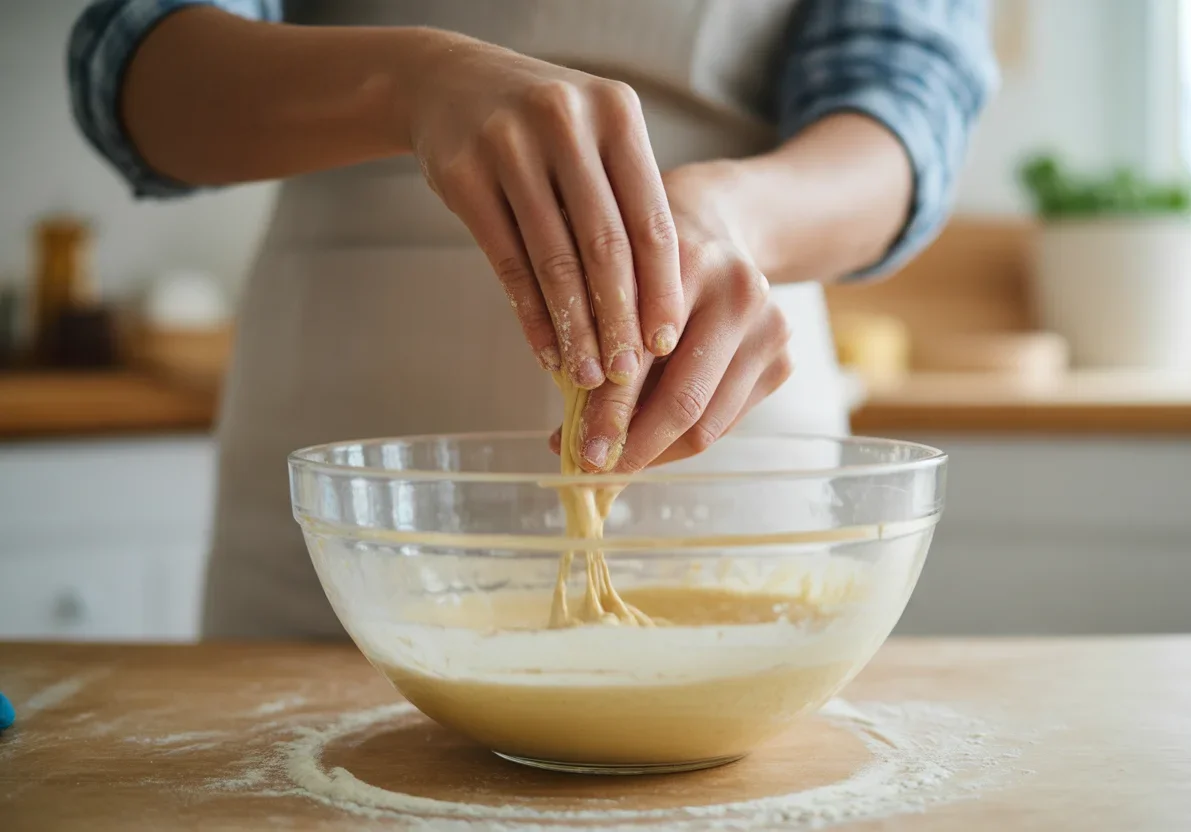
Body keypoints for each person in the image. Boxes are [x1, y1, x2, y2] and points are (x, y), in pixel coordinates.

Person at [68, 0, 996, 639]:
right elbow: (136, 65)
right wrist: (407, 82)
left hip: (731, 428)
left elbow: (904, 109)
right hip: (348, 501)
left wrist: (729, 220)